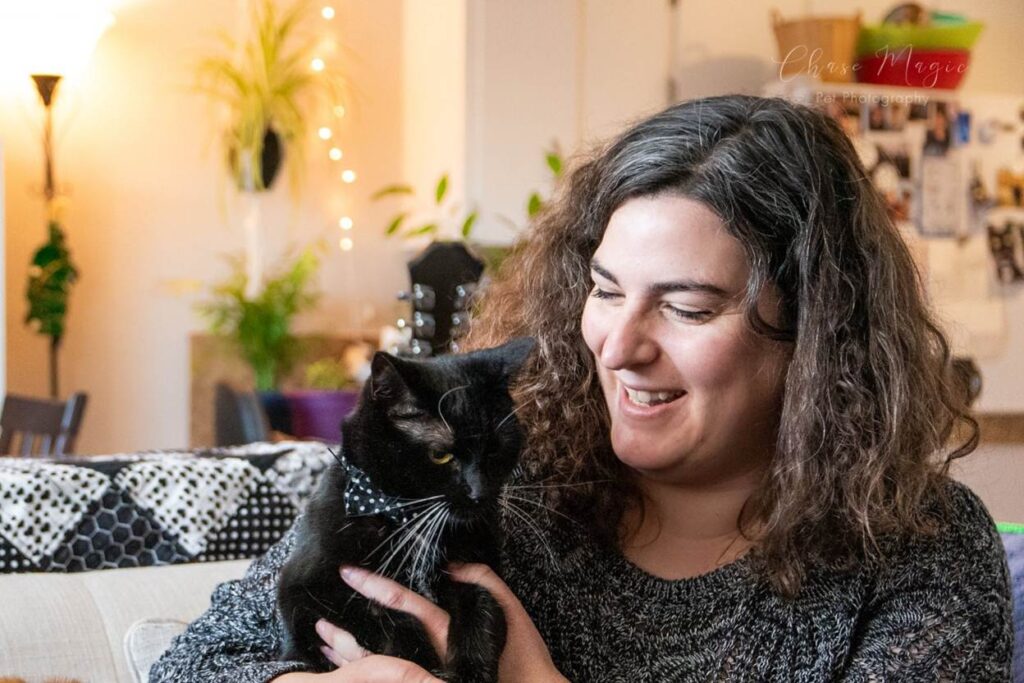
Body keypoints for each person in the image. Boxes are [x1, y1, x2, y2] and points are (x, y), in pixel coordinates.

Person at [150, 95, 1013, 682]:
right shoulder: (494, 495)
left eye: (685, 306)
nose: (619, 345)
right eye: (604, 290)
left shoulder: (918, 552)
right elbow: (195, 659)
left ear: (816, 337)